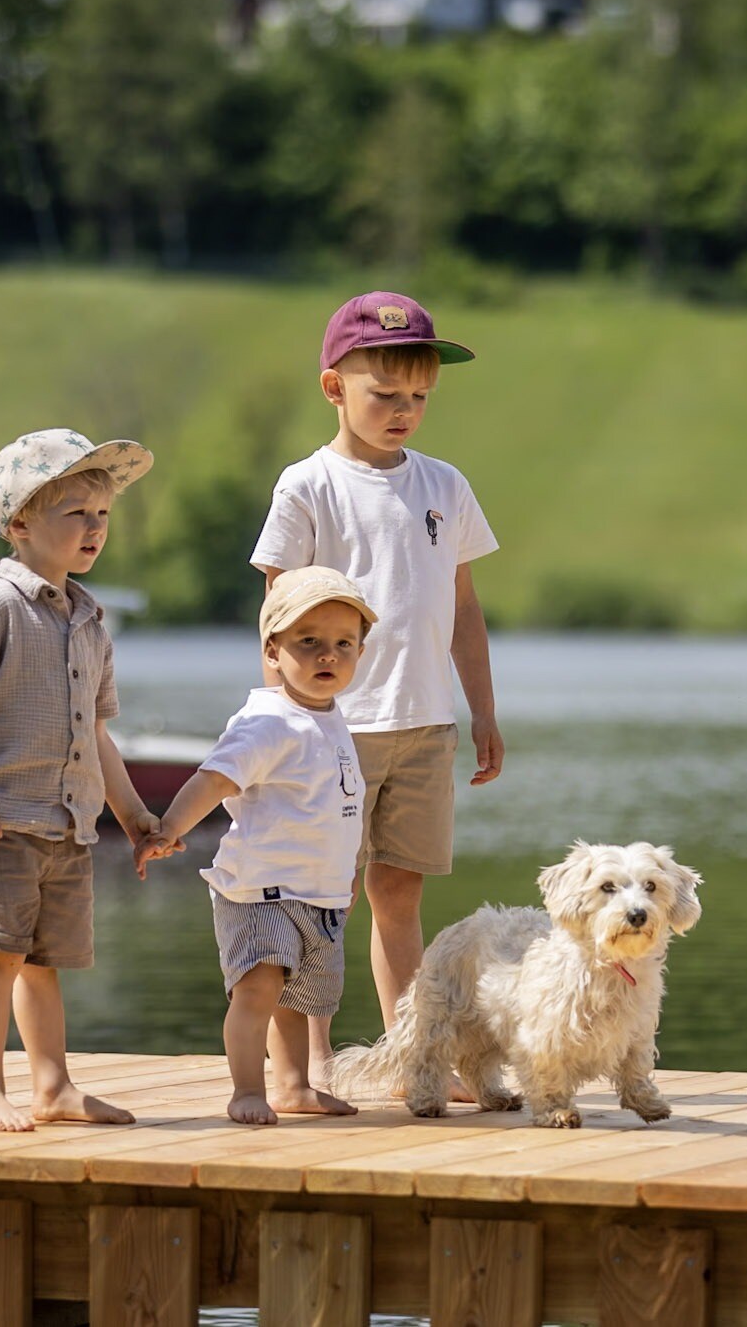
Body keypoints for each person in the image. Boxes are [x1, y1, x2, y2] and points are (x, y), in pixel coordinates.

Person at [249, 291, 503, 1092]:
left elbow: (462, 608)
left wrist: (483, 711)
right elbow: (278, 613)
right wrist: (288, 722)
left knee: (399, 894)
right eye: (384, 395)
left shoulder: (444, 485)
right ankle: (314, 1061)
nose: (404, 412)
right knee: (324, 895)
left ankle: (411, 1057)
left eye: (419, 397)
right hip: (334, 728)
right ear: (334, 388)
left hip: (426, 723)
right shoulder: (308, 486)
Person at [0, 427, 170, 1133]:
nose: (94, 529)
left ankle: (54, 1086)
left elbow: (98, 736)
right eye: (76, 514)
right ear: (20, 525)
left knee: (44, 962)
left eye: (102, 516)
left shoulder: (92, 623)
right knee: (0, 954)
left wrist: (133, 816)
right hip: (0, 820)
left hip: (67, 825)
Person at [134, 567, 374, 1125]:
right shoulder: (267, 720)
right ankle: (246, 1089)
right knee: (259, 988)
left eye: (344, 644)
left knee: (304, 1000)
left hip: (320, 893)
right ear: (273, 649)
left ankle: (293, 1086)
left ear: (361, 652)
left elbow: (338, 808)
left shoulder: (333, 718)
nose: (327, 656)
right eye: (308, 642)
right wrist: (171, 827)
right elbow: (216, 778)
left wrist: (347, 873)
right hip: (260, 889)